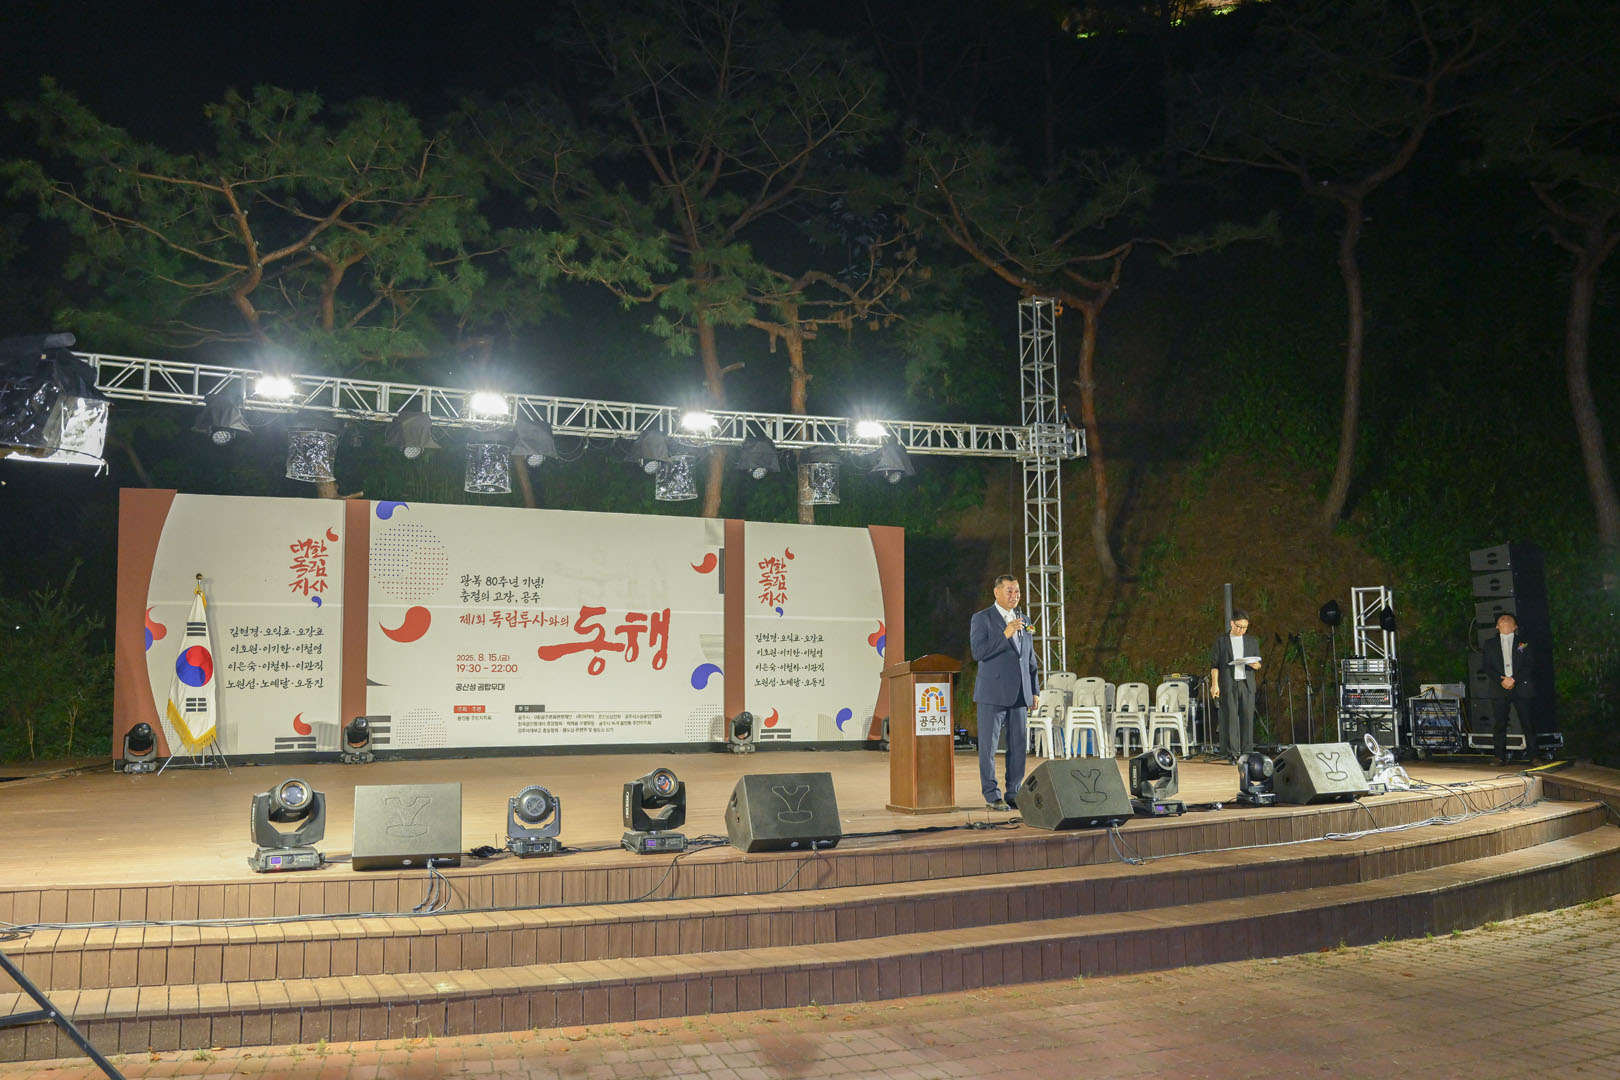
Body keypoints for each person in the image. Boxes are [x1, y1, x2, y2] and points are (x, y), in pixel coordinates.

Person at [971, 574, 1040, 811]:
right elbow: (978, 652)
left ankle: (1014, 792)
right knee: (988, 748)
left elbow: (1029, 657)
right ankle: (992, 795)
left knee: (1018, 746)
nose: (1015, 595)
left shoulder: (1024, 619)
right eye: (1009, 591)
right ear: (997, 592)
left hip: (1020, 692)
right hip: (992, 693)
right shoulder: (982, 618)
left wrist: (1034, 689)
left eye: (1017, 591)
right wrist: (1005, 635)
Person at [1481, 612, 1545, 766]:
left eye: (1509, 618)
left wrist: (1514, 679)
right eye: (1502, 618)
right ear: (1497, 626)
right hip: (1499, 687)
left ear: (1515, 626)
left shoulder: (1523, 643)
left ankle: (1534, 756)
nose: (1505, 618)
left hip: (1521, 686)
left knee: (1528, 722)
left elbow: (1529, 664)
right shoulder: (1489, 644)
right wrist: (1501, 680)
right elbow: (1486, 666)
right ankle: (1499, 756)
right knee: (1500, 723)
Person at [1209, 611, 1261, 760]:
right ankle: (1231, 754)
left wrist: (1253, 664)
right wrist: (1215, 684)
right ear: (1232, 623)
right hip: (1229, 683)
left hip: (1246, 684)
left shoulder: (1252, 641)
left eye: (1245, 627)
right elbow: (1215, 666)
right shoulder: (1221, 641)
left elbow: (1258, 665)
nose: (1241, 630)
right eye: (1239, 626)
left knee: (1247, 719)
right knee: (1230, 719)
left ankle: (1247, 754)